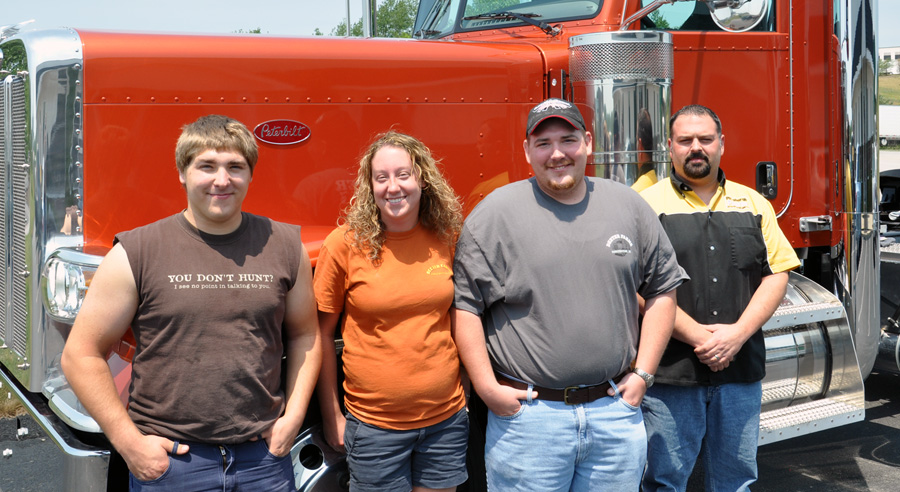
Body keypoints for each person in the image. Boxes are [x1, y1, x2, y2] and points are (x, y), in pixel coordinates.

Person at [61, 114, 321, 491]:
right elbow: (80, 355)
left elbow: (305, 336)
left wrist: (293, 418)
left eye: (235, 167)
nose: (222, 180)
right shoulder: (137, 251)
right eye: (207, 166)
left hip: (263, 463)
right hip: (174, 467)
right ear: (183, 172)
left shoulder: (285, 246)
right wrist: (129, 444)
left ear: (251, 174)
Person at [452, 98, 688, 491]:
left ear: (588, 143)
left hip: (615, 416)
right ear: (527, 150)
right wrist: (487, 388)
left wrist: (644, 375)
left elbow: (663, 288)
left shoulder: (628, 205)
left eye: (568, 140)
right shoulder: (495, 215)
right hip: (530, 422)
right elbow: (465, 307)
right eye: (543, 143)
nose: (557, 153)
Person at [639, 105, 801, 492]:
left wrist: (737, 335)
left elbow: (776, 274)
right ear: (670, 146)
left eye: (705, 139)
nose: (696, 147)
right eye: (685, 140)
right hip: (671, 374)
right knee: (663, 482)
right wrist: (699, 336)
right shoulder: (643, 205)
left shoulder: (754, 204)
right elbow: (633, 287)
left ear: (721, 144)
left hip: (739, 372)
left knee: (736, 482)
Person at [314, 131, 469, 492]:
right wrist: (332, 415)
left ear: (422, 179)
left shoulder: (447, 237)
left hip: (445, 422)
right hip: (375, 428)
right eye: (381, 177)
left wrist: (467, 390)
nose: (393, 187)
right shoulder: (344, 244)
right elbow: (319, 334)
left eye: (403, 174)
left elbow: (463, 317)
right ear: (369, 187)